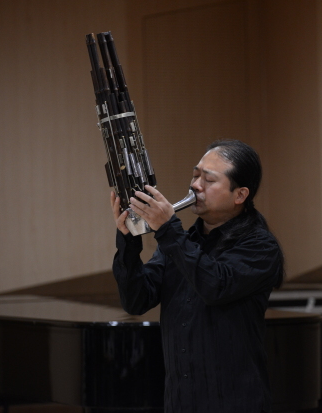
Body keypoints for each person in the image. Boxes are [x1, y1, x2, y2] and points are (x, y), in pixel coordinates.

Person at [111, 139, 284, 413]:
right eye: (195, 175)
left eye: (208, 179)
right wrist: (129, 239)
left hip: (234, 403)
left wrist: (168, 229)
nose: (195, 185)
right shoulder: (181, 242)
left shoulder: (260, 246)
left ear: (239, 195)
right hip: (180, 401)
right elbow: (137, 300)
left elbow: (214, 285)